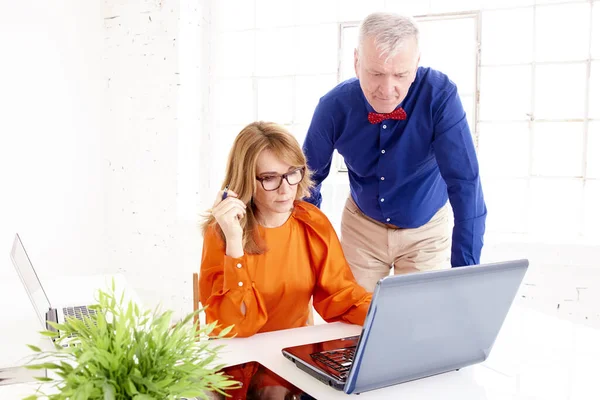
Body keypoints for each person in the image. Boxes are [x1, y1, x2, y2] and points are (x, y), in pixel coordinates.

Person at [303, 12, 487, 292]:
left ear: (416, 64)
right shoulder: (333, 107)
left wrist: (464, 275)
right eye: (376, 73)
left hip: (425, 231)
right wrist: (307, 253)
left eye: (400, 75)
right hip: (361, 227)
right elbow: (307, 182)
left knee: (418, 324)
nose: (387, 90)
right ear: (356, 62)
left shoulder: (440, 96)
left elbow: (465, 183)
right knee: (352, 323)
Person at [199, 121, 371, 399]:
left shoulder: (311, 221)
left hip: (294, 362)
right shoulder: (222, 232)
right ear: (245, 179)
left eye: (292, 173)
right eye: (269, 178)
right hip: (240, 367)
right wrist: (234, 243)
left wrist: (384, 315)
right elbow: (236, 325)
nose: (285, 188)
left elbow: (340, 296)